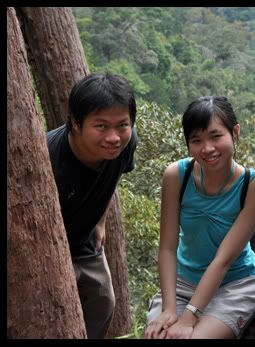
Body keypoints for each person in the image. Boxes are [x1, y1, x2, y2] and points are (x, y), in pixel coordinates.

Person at [145, 96, 255, 339]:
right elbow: (168, 248)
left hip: (235, 285)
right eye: (196, 140)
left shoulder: (253, 186)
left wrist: (189, 318)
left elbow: (223, 260)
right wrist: (170, 310)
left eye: (216, 136)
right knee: (158, 335)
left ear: (235, 133)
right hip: (182, 284)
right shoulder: (177, 175)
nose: (207, 148)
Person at [46, 73, 138, 338]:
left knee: (102, 303)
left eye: (122, 124)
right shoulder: (48, 160)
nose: (113, 137)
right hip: (48, 248)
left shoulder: (126, 143)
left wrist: (100, 221)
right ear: (76, 122)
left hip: (85, 243)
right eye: (101, 126)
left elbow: (114, 176)